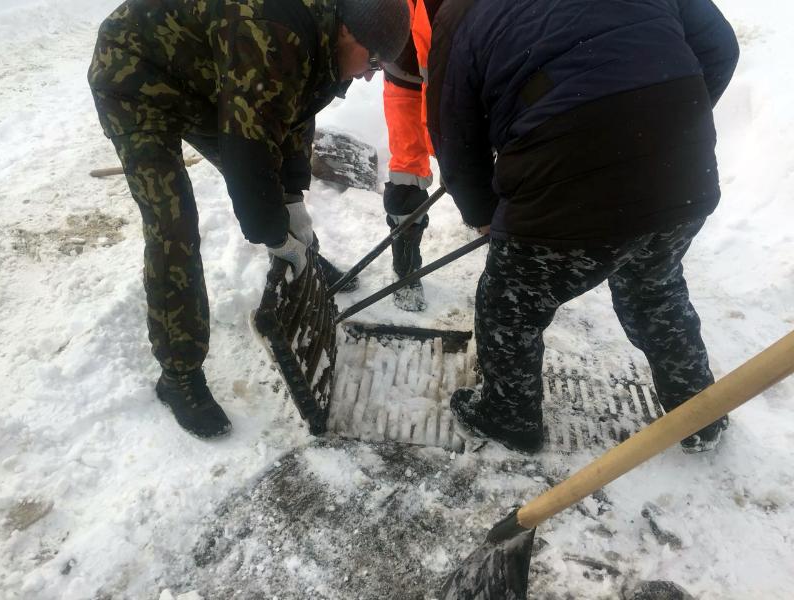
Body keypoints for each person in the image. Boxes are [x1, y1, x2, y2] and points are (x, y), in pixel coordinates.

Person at [426, 0, 740, 453]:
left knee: (509, 304)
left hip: (569, 163)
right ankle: (699, 413)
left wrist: (483, 213)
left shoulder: (458, 13)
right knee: (654, 288)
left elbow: (453, 134)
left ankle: (507, 415)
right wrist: (663, 128)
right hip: (681, 169)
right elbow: (720, 47)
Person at [87, 0, 411, 439]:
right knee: (173, 229)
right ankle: (179, 376)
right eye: (373, 61)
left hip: (204, 76)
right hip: (135, 74)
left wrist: (293, 201)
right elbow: (250, 150)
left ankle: (304, 265)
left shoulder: (322, 33)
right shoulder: (274, 30)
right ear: (350, 33)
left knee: (271, 184)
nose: (371, 74)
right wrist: (274, 233)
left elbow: (292, 112)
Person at [381, 0, 443, 311]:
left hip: (461, 78)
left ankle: (509, 266)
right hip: (404, 80)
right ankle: (405, 268)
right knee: (407, 176)